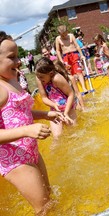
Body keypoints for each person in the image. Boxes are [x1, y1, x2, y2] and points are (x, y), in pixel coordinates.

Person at [0, 31, 64, 215]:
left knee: (50, 200)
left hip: (30, 150)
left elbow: (19, 113)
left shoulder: (12, 81)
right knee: (43, 208)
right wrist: (27, 130)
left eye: (18, 55)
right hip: (14, 159)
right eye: (12, 57)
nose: (19, 61)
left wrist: (45, 114)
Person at [35, 57, 77, 140]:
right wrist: (53, 104)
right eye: (38, 76)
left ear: (50, 74)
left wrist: (66, 113)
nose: (39, 79)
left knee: (74, 134)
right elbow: (44, 98)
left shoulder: (57, 78)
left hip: (68, 108)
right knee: (57, 137)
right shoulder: (39, 78)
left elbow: (71, 94)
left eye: (42, 77)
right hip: (54, 110)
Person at [55, 25, 88, 94]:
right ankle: (75, 90)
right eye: (62, 35)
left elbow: (77, 46)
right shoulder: (58, 39)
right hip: (65, 56)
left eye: (65, 34)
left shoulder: (71, 36)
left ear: (67, 31)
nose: (63, 36)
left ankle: (84, 88)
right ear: (59, 34)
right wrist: (61, 59)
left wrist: (81, 55)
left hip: (74, 54)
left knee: (78, 71)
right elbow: (58, 50)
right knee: (69, 73)